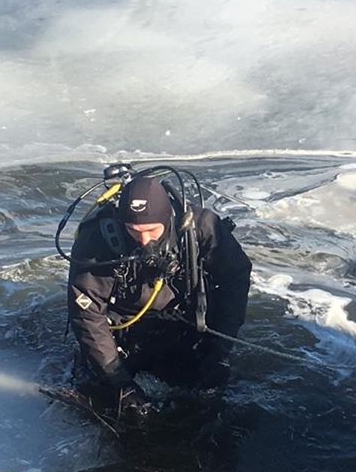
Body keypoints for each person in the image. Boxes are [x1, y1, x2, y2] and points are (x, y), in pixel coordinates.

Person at [66, 174, 251, 411]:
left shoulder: (200, 228)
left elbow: (235, 278)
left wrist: (221, 349)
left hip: (185, 328)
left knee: (211, 402)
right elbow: (87, 314)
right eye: (133, 230)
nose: (144, 241)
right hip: (123, 336)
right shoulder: (98, 241)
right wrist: (118, 381)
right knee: (117, 408)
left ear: (168, 218)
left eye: (152, 230)